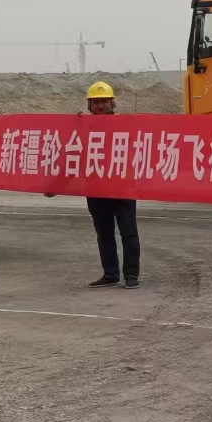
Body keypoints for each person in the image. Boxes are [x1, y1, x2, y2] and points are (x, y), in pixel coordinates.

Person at [82, 81, 140, 289]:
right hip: (96, 188)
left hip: (122, 187)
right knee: (104, 234)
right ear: (89, 105)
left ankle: (131, 275)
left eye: (104, 101)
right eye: (96, 102)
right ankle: (110, 274)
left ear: (112, 103)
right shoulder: (82, 127)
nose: (100, 105)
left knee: (128, 233)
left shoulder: (126, 124)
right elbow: (70, 155)